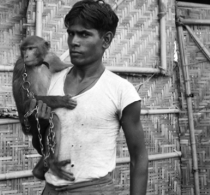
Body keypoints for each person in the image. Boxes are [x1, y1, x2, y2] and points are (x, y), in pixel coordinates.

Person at [27, 0, 148, 194]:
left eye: (84, 34)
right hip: (50, 189)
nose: (74, 41)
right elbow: (41, 147)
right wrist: (41, 127)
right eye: (71, 33)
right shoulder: (50, 84)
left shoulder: (121, 91)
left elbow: (139, 157)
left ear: (106, 40)